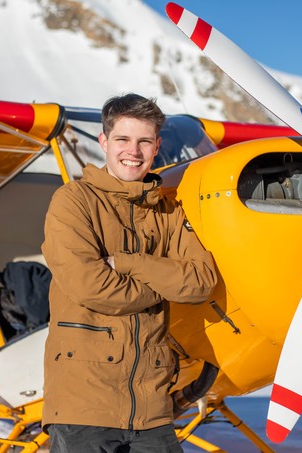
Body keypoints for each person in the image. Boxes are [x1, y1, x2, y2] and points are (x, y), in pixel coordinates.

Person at [41, 93, 218, 452]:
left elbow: (201, 282)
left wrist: (128, 263)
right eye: (122, 139)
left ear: (157, 147)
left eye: (144, 141)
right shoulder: (73, 201)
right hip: (83, 406)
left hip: (152, 407)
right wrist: (165, 285)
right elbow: (92, 286)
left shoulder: (168, 212)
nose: (133, 151)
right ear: (104, 142)